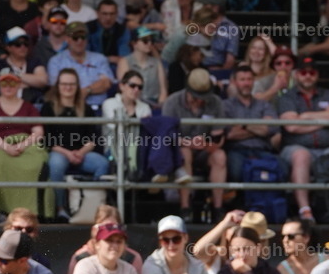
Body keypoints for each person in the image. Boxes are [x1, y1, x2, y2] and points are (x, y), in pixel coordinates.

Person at [276, 57, 329, 227]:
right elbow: (291, 126)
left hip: (327, 148)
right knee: (301, 156)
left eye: (312, 72)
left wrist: (306, 116)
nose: (308, 76)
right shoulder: (287, 97)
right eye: (303, 72)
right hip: (295, 147)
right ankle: (305, 210)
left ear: (317, 75)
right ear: (296, 74)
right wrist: (324, 119)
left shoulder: (328, 94)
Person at [0, 68, 50, 221]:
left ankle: (36, 212)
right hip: (0, 144)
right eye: (4, 83)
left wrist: (23, 145)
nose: (8, 87)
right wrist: (6, 147)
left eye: (12, 83)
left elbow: (38, 132)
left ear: (19, 85)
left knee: (38, 161)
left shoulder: (29, 107)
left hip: (26, 144)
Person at [40, 67, 110, 221]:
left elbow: (92, 139)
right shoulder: (48, 107)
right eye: (64, 84)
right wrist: (68, 153)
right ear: (58, 86)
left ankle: (92, 207)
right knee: (56, 164)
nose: (68, 87)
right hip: (59, 152)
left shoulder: (86, 108)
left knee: (102, 164)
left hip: (82, 153)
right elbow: (47, 139)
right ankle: (60, 209)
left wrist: (80, 153)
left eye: (72, 84)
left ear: (77, 86)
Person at [161, 67, 227, 225]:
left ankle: (218, 208)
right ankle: (186, 208)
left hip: (205, 149)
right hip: (179, 149)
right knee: (185, 153)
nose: (200, 100)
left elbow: (219, 136)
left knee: (220, 156)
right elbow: (166, 136)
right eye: (197, 96)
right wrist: (188, 143)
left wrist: (208, 144)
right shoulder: (172, 102)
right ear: (188, 91)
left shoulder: (216, 102)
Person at [223, 62, 278, 185]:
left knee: (282, 169)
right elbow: (230, 134)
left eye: (249, 79)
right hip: (237, 151)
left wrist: (243, 125)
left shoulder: (264, 104)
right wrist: (259, 127)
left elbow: (270, 129)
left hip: (262, 150)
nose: (246, 83)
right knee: (236, 172)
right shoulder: (226, 106)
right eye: (242, 80)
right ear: (235, 82)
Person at [47, 20, 115, 108]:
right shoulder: (56, 61)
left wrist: (87, 90)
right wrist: (85, 92)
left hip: (97, 107)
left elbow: (106, 83)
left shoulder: (99, 58)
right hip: (68, 107)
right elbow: (56, 88)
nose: (80, 41)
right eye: (75, 37)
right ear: (67, 39)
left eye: (83, 37)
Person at [101, 69, 151, 181]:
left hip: (137, 148)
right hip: (113, 148)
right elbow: (115, 128)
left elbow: (146, 131)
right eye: (132, 86)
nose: (136, 90)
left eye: (140, 87)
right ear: (122, 86)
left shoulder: (145, 107)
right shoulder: (109, 103)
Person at [115, 26, 167, 108]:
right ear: (134, 43)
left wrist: (160, 106)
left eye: (152, 40)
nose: (149, 43)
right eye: (145, 40)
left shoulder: (157, 63)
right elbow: (125, 89)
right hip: (133, 105)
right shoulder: (124, 62)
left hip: (155, 105)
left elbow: (163, 90)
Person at [0, 26, 48, 104]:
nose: (23, 47)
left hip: (33, 105)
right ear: (8, 47)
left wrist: (15, 75)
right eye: (18, 44)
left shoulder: (34, 62)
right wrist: (30, 82)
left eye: (26, 43)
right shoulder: (0, 64)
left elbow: (43, 81)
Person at [87, 0, 129, 66]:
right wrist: (108, 59)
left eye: (112, 14)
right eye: (104, 14)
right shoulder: (88, 28)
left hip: (115, 69)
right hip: (91, 67)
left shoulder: (122, 31)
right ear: (97, 13)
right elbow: (84, 56)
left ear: (117, 14)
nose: (108, 18)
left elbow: (124, 59)